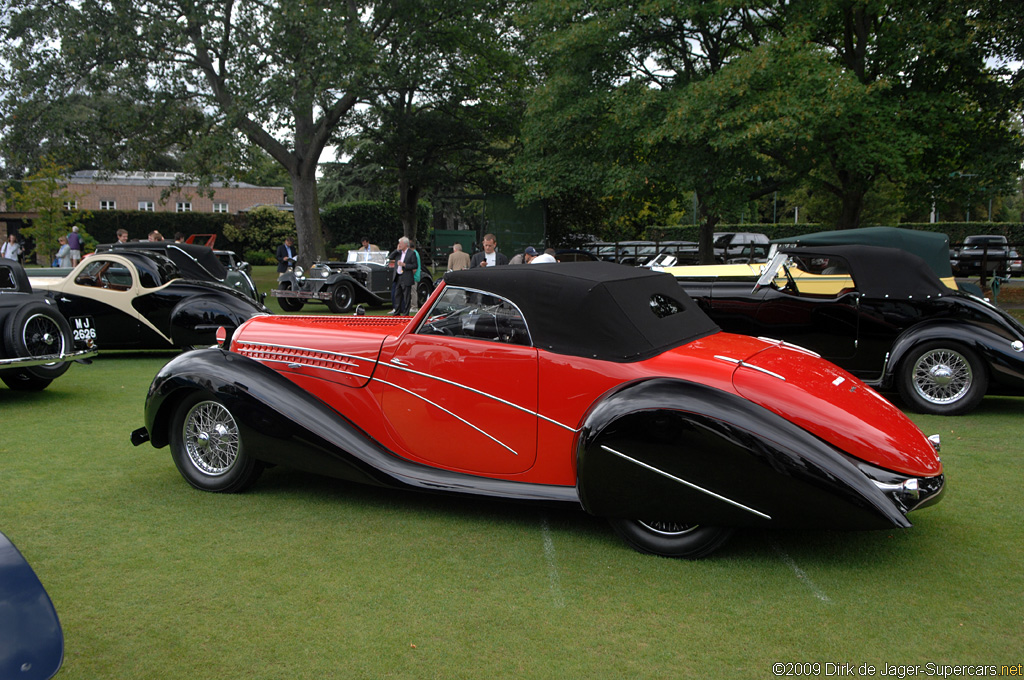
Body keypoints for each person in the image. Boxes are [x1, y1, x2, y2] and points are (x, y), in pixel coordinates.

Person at [389, 237, 419, 315]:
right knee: (397, 295)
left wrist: (404, 265)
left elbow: (415, 265)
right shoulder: (398, 253)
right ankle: (397, 311)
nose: (399, 245)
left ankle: (406, 313)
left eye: (401, 244)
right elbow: (390, 257)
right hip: (398, 276)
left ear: (406, 244)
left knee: (406, 296)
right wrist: (396, 250)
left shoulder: (411, 253)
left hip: (406, 277)